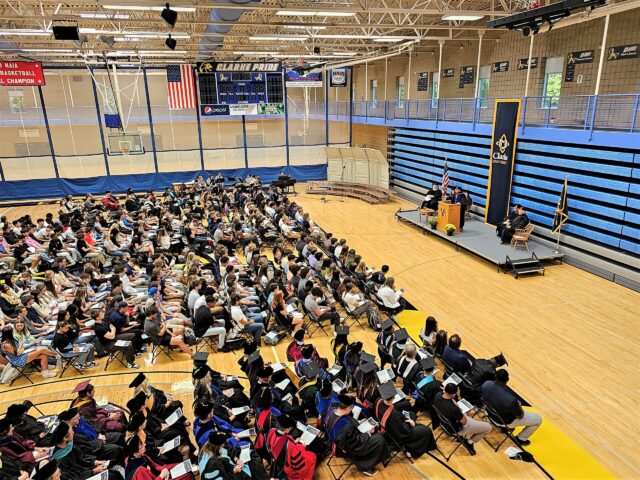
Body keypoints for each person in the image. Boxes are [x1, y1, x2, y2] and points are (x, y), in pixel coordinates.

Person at [324, 394, 389, 476]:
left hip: (338, 441)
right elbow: (356, 444)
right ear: (347, 408)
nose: (352, 410)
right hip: (348, 448)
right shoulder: (346, 426)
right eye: (351, 408)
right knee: (379, 438)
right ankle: (365, 465)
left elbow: (346, 426)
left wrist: (359, 422)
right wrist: (368, 433)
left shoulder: (331, 412)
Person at [374, 382, 436, 458]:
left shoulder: (378, 401)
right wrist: (411, 424)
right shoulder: (394, 415)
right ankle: (412, 451)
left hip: (387, 427)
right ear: (393, 397)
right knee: (425, 430)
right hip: (396, 434)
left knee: (412, 414)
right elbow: (404, 432)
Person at [481, 369, 542, 445]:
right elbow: (520, 416)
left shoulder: (486, 384)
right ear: (507, 380)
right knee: (538, 419)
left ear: (495, 376)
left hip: (489, 415)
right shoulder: (511, 400)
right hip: (504, 422)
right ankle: (521, 438)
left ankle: (505, 428)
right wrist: (518, 405)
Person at [433, 383, 491, 455]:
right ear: (454, 394)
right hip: (455, 429)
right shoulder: (454, 409)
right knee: (488, 427)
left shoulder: (438, 395)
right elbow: (464, 422)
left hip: (443, 423)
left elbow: (450, 402)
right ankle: (469, 442)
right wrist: (460, 411)